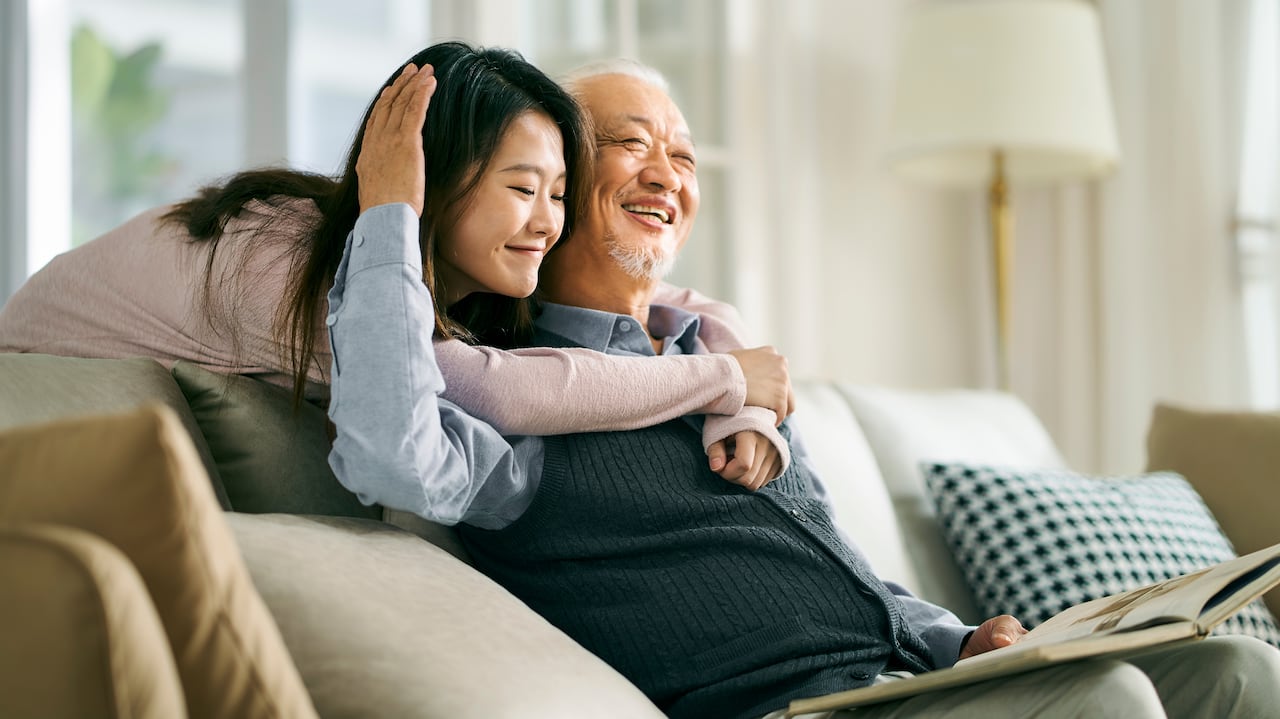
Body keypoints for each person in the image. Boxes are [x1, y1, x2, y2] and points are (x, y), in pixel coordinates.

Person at [326, 57, 1280, 719]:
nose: (669, 173)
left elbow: (839, 568)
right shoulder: (508, 403)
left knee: (1239, 668)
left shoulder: (727, 366)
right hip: (789, 708)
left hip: (901, 683)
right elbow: (388, 450)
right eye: (629, 144)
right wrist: (389, 214)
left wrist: (957, 640)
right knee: (1105, 702)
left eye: (685, 153)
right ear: (556, 186)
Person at [0, 41, 793, 486]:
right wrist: (724, 380)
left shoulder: (469, 271)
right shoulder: (290, 261)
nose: (548, 223)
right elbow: (456, 416)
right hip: (38, 421)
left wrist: (741, 377)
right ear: (433, 182)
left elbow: (673, 299)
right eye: (524, 188)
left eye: (560, 192)